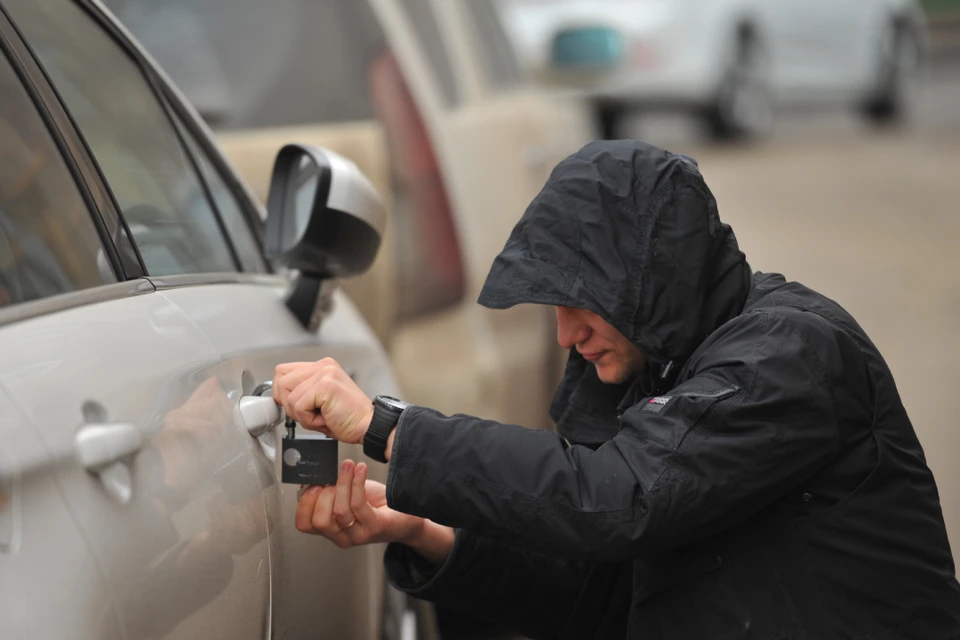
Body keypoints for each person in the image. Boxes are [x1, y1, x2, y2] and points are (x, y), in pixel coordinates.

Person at [274, 140, 960, 639]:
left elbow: (615, 499)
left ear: (653, 282)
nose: (564, 334)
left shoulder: (791, 355)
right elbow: (599, 601)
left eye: (583, 302)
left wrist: (391, 426)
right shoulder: (657, 370)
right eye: (554, 305)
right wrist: (422, 530)